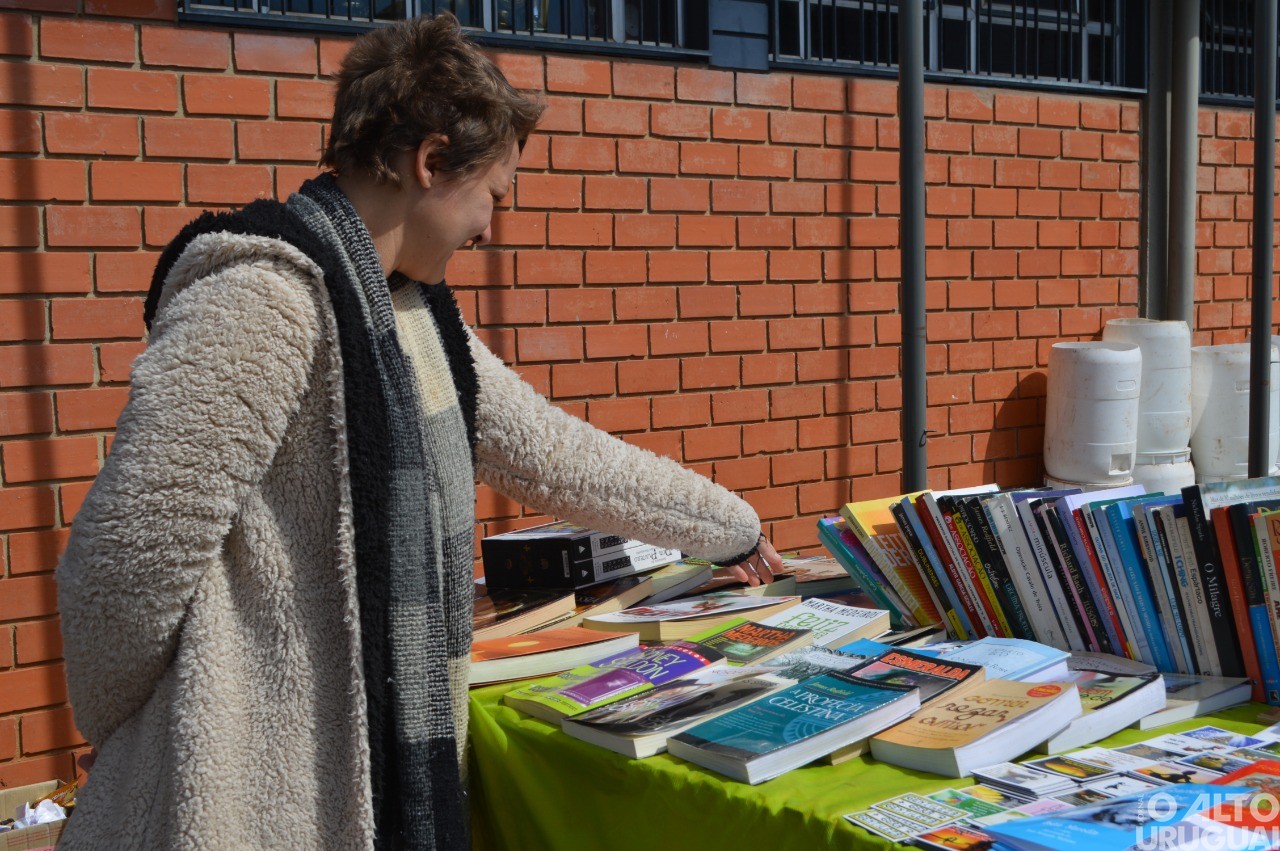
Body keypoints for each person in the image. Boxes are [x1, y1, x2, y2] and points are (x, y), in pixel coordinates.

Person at [54, 13, 782, 851]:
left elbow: (553, 452)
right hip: (239, 795)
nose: (490, 226)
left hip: (365, 779)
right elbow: (125, 557)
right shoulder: (264, 298)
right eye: (493, 194)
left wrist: (730, 526)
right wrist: (130, 723)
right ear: (430, 162)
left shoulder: (412, 314)